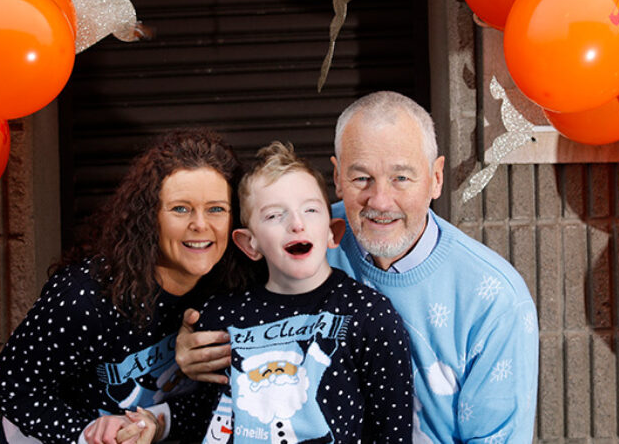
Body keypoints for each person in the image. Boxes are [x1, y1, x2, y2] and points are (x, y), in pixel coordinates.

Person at [177, 91, 539, 443]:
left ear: (436, 177)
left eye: (401, 177)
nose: (380, 201)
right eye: (361, 178)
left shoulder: (495, 300)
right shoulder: (303, 240)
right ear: (336, 177)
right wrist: (186, 353)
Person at [0, 129, 257, 444]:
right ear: (149, 218)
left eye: (216, 209)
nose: (200, 224)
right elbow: (9, 385)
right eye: (180, 209)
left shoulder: (234, 291)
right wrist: (86, 433)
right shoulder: (86, 296)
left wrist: (157, 424)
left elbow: (223, 402)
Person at [191, 141, 413, 443]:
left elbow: (392, 431)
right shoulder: (220, 315)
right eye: (273, 215)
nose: (296, 224)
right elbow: (200, 413)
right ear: (249, 243)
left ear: (332, 232)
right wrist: (154, 420)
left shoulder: (369, 315)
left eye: (310, 210)